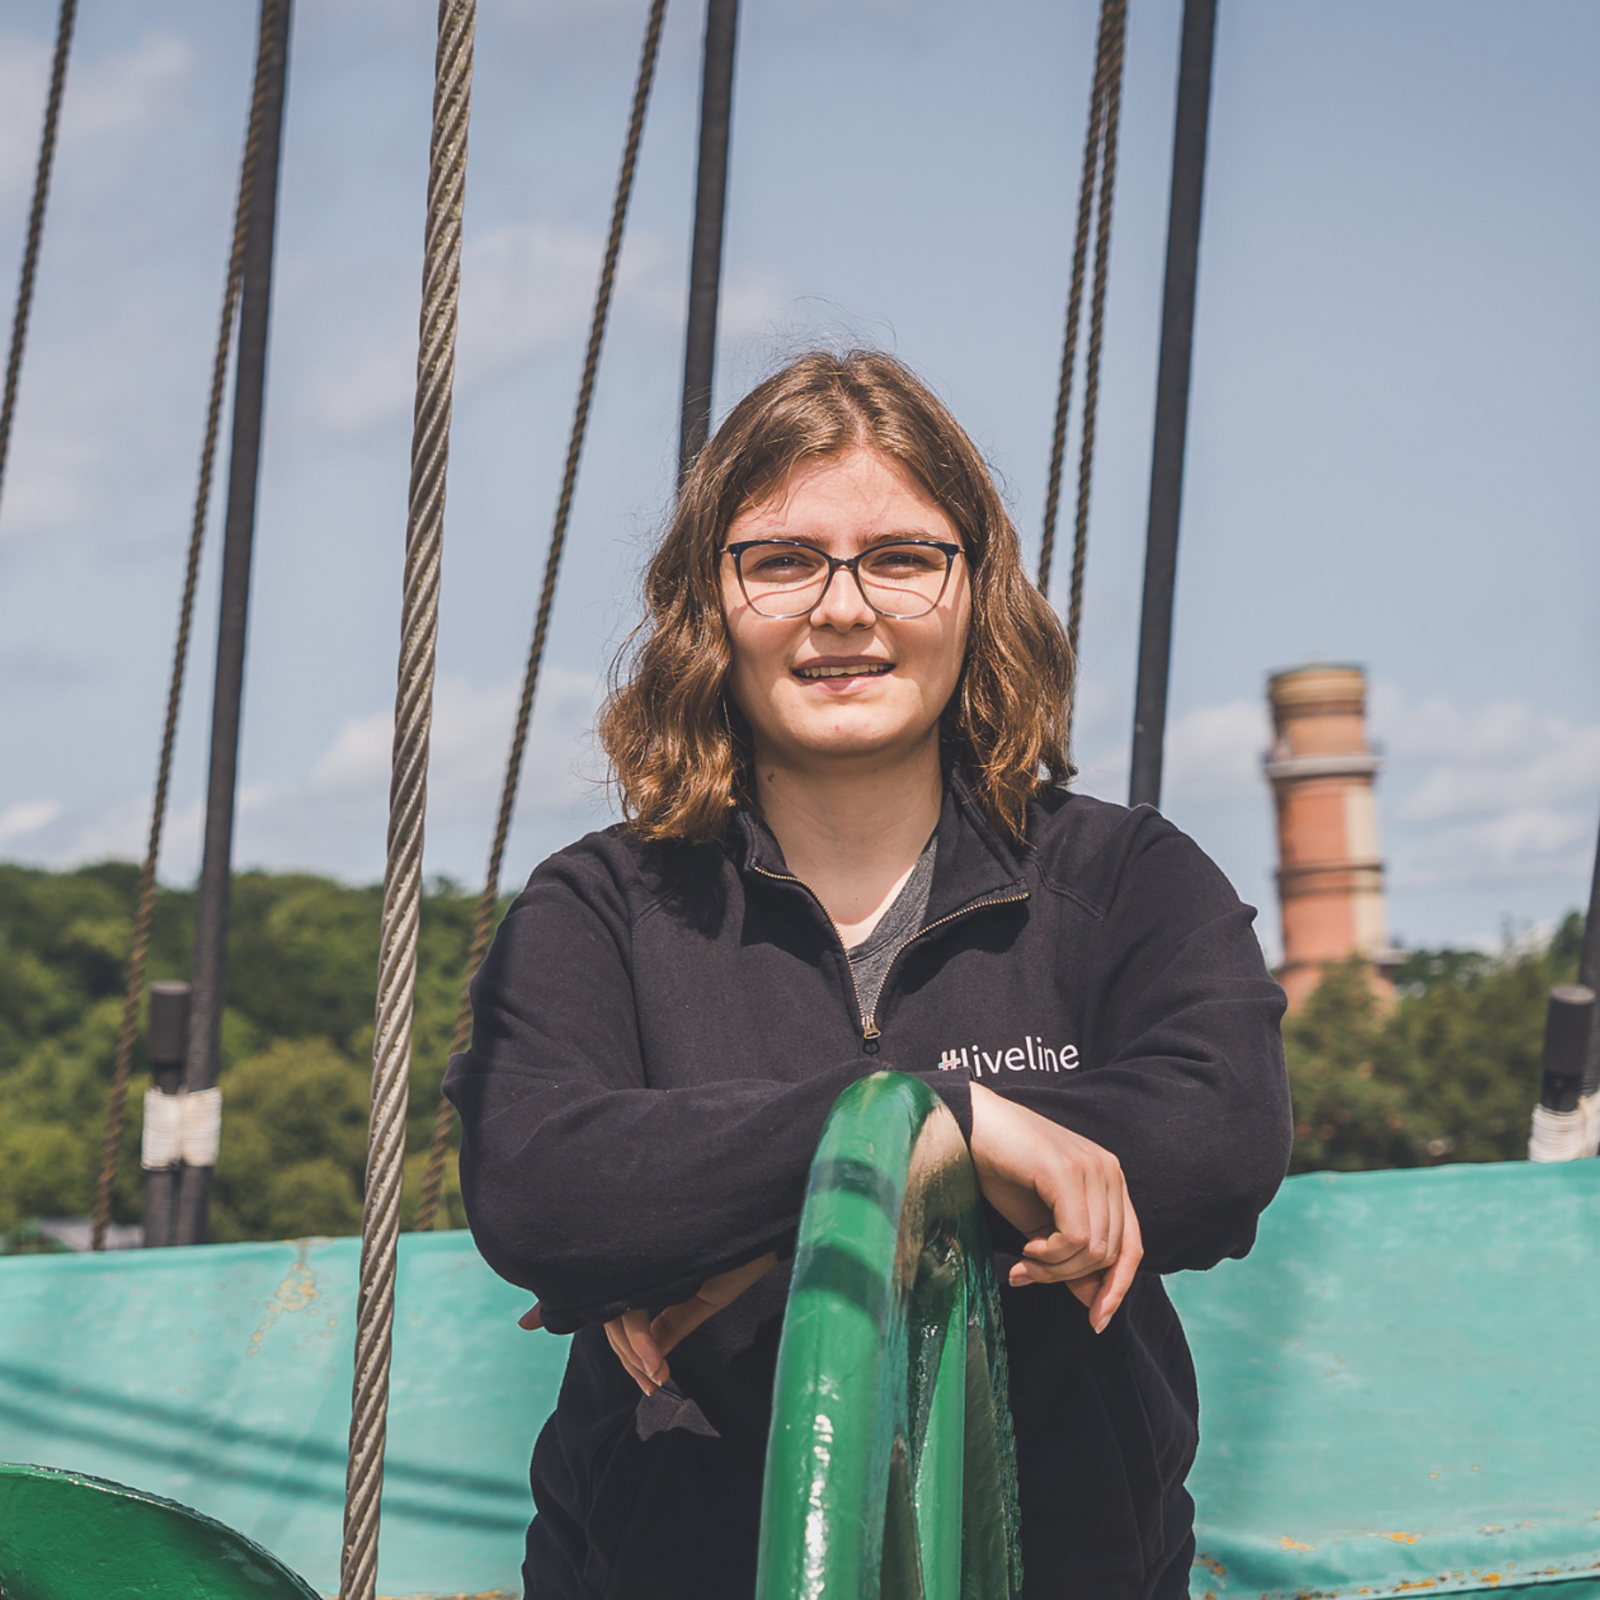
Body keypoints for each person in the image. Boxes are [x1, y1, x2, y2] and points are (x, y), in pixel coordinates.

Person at [445, 349, 1291, 1600]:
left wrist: (738, 1225)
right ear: (708, 603)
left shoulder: (1122, 882)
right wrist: (948, 1124)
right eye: (783, 561)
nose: (843, 609)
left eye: (900, 557)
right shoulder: (602, 907)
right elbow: (541, 1191)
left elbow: (1210, 1150)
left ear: (973, 590)